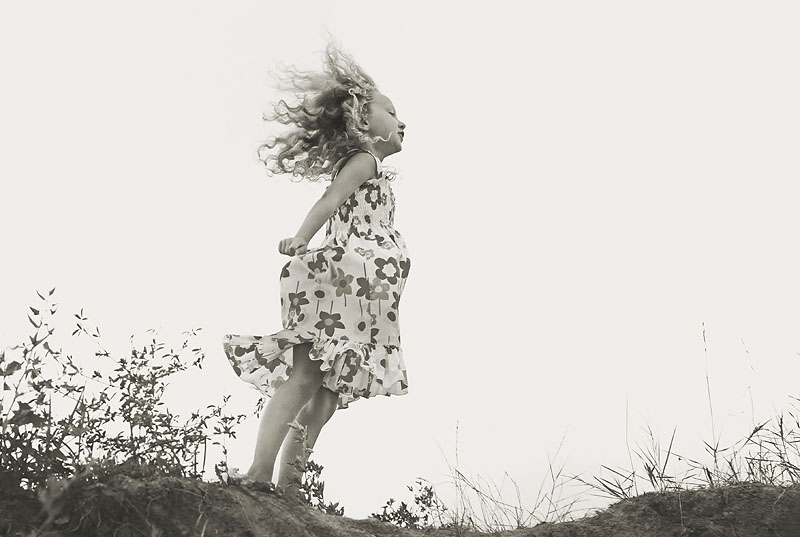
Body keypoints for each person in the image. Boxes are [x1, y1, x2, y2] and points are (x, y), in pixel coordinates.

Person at [223, 42, 410, 501]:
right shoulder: (364, 160)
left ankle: (290, 491)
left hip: (360, 296)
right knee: (306, 379)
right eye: (390, 111)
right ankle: (260, 472)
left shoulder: (376, 171)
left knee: (325, 398)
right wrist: (302, 237)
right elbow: (330, 200)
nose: (402, 121)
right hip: (339, 285)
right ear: (362, 120)